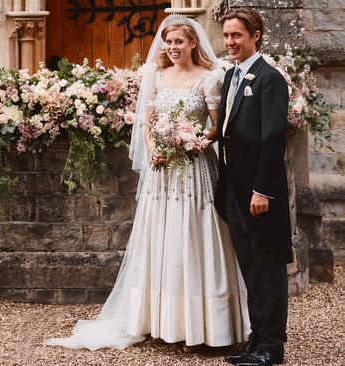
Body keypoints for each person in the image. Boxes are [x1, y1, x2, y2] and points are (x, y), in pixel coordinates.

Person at [44, 14, 249, 350]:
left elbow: (216, 126)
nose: (173, 48)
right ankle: (160, 319)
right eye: (168, 42)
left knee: (196, 236)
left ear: (193, 43)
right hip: (162, 172)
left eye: (179, 42)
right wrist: (155, 148)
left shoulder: (210, 78)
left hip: (194, 169)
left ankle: (207, 325)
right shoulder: (155, 74)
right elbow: (146, 124)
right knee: (162, 236)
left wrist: (193, 141)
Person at [216, 8, 292, 366]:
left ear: (255, 35)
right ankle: (255, 341)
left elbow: (273, 139)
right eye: (227, 35)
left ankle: (271, 348)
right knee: (250, 270)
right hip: (235, 190)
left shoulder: (269, 79)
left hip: (260, 195)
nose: (230, 42)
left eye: (237, 35)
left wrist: (263, 190)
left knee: (268, 269)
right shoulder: (232, 75)